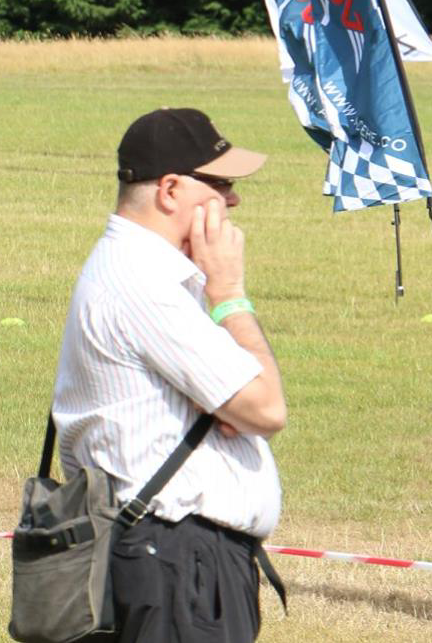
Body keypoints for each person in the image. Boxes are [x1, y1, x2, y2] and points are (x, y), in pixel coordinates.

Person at [52, 108, 288, 642]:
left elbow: (238, 409)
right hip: (176, 566)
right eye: (221, 183)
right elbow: (265, 408)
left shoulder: (141, 272)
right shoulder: (144, 285)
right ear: (171, 190)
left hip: (169, 560)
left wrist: (232, 405)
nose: (233, 199)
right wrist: (229, 295)